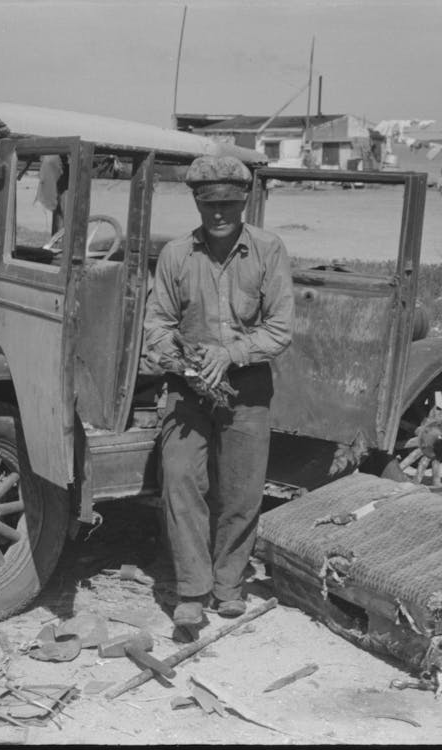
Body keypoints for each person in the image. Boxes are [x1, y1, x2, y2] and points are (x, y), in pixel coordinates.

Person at [143, 154, 295, 627]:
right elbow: (157, 326)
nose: (220, 213)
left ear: (245, 199)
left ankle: (229, 584)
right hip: (187, 392)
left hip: (247, 389)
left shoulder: (269, 251)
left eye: (229, 203)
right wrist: (184, 361)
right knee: (180, 478)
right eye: (209, 204)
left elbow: (280, 329)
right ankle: (193, 590)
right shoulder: (175, 255)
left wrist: (229, 354)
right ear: (196, 202)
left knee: (241, 491)